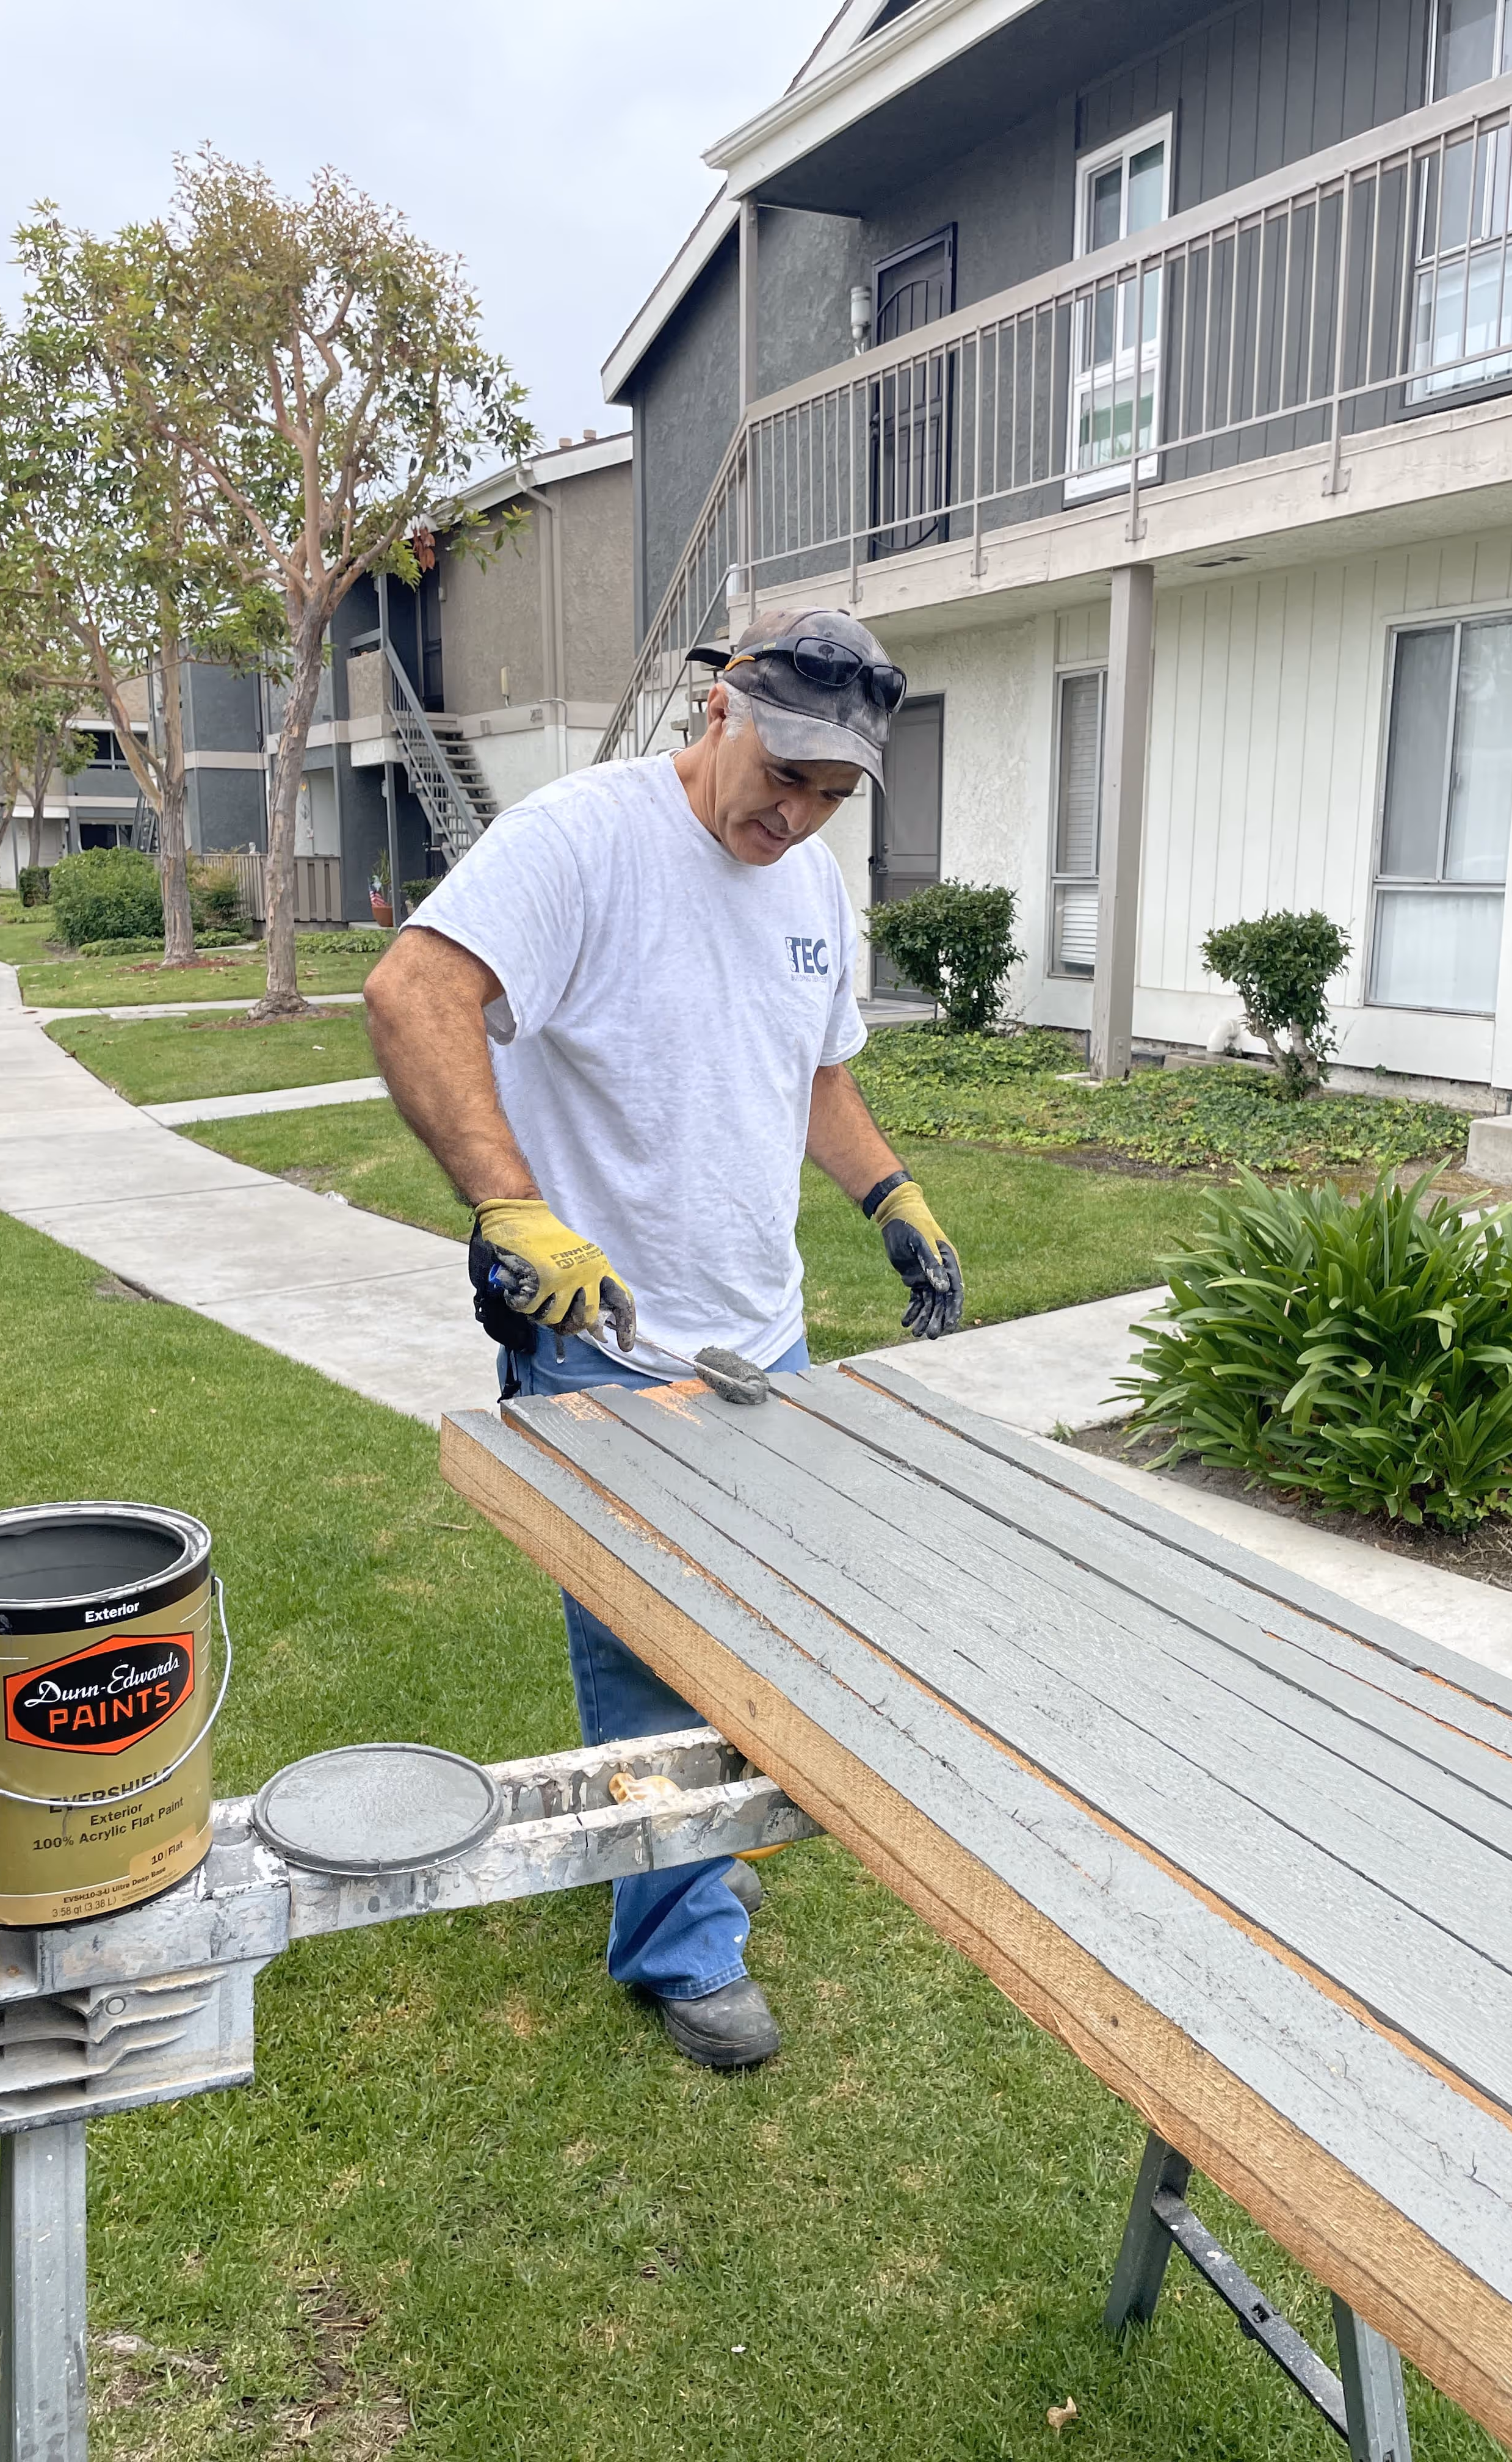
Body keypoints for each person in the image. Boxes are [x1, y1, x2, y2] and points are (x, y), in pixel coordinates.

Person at [363, 609, 963, 2069]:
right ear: (719, 711)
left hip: (766, 1337)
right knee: (652, 1657)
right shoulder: (583, 842)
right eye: (788, 772)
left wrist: (890, 1193)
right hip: (605, 1340)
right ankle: (681, 1948)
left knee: (757, 1629)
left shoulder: (808, 882)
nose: (800, 810)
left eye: (835, 792)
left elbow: (812, 1067)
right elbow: (413, 993)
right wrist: (513, 1208)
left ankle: (684, 1852)